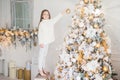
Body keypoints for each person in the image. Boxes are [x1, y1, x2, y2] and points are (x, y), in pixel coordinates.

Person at [38, 9, 69, 77]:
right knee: (41, 56)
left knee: (44, 56)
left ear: (49, 15)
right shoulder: (42, 23)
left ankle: (43, 68)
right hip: (43, 42)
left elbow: (57, 17)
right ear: (42, 16)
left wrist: (63, 12)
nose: (46, 15)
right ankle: (40, 69)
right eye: (44, 14)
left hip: (47, 42)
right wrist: (40, 42)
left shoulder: (50, 21)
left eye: (47, 14)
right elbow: (39, 34)